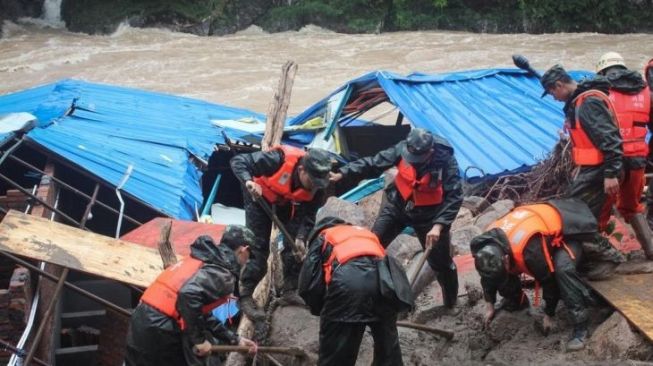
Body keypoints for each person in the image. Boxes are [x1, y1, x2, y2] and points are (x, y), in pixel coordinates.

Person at [330, 128, 463, 309]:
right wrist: (344, 172)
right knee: (372, 246)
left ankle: (450, 304)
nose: (413, 162)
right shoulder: (403, 148)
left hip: (430, 217)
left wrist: (438, 226)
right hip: (398, 206)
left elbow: (455, 196)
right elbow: (374, 163)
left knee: (442, 264)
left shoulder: (446, 161)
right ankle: (362, 296)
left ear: (430, 152)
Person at [470, 199, 597, 352]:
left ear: (505, 259)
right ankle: (517, 301)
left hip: (567, 232)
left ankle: (581, 327)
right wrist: (489, 304)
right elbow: (488, 276)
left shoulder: (529, 251)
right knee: (499, 275)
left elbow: (548, 281)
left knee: (563, 270)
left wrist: (549, 314)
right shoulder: (486, 245)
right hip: (537, 230)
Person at [125, 226, 258, 366]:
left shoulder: (201, 259)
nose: (247, 262)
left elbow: (198, 311)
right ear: (243, 249)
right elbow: (188, 294)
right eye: (249, 256)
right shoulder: (223, 273)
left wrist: (235, 340)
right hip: (160, 327)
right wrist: (199, 340)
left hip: (142, 318)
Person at [230, 145, 332, 321]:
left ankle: (290, 290)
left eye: (318, 184)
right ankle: (245, 296)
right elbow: (239, 161)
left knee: (295, 247)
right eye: (312, 182)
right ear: (301, 170)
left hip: (287, 202)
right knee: (258, 248)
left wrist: (301, 238)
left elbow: (308, 216)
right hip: (259, 196)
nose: (314, 187)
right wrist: (249, 181)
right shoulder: (276, 160)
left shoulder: (318, 187)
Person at [540, 65, 626, 266]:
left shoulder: (587, 104)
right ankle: (593, 257)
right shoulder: (579, 102)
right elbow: (587, 141)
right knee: (582, 215)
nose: (553, 97)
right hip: (591, 169)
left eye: (552, 92)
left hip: (601, 170)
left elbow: (611, 140)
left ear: (559, 85)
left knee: (575, 215)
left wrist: (611, 174)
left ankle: (609, 258)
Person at [298, 216, 409, 366]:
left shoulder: (323, 236)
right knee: (388, 352)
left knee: (335, 357)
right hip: (385, 287)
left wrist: (322, 310)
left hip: (348, 287)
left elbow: (308, 285)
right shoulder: (366, 234)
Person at [595, 52, 653, 259]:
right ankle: (651, 250)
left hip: (611, 159)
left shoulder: (599, 90)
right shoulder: (646, 91)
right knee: (632, 206)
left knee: (600, 207)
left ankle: (599, 254)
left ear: (602, 70)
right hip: (638, 158)